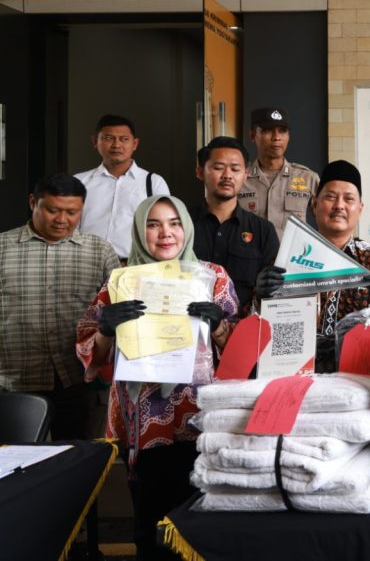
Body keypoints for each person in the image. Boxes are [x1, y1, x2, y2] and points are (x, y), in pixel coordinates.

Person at [77, 195, 238, 560]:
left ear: (187, 228)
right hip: (143, 419)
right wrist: (106, 329)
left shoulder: (212, 278)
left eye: (174, 223)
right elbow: (92, 353)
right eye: (153, 224)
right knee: (149, 520)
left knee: (202, 518)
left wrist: (219, 326)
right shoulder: (120, 281)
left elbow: (242, 355)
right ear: (139, 231)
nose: (166, 233)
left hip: (201, 415)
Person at [255, 160, 370, 372]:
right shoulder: (288, 256)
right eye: (330, 197)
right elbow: (257, 326)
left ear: (360, 209)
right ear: (314, 204)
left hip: (360, 373)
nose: (339, 206)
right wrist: (260, 297)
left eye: (349, 199)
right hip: (296, 371)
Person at [0, 173, 120, 439]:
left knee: (76, 457)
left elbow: (115, 313)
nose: (62, 219)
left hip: (78, 379)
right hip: (13, 381)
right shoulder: (3, 248)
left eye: (72, 212)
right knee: (14, 459)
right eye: (53, 210)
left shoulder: (100, 252)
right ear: (33, 203)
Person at [191, 136, 279, 316]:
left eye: (235, 169)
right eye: (218, 168)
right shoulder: (181, 225)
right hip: (190, 325)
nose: (227, 175)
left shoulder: (263, 230)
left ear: (245, 175)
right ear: (200, 172)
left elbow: (274, 294)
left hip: (243, 327)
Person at [75, 113, 171, 260]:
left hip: (134, 266)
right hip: (85, 264)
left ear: (135, 144)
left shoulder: (153, 183)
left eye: (124, 139)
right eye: (108, 138)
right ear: (95, 141)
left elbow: (164, 229)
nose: (116, 145)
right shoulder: (79, 182)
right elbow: (69, 226)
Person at [238, 107, 320, 239]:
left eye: (282, 131)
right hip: (250, 251)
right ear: (253, 135)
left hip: (293, 252)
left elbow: (328, 221)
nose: (276, 137)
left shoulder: (308, 178)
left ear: (288, 136)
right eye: (267, 130)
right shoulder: (239, 178)